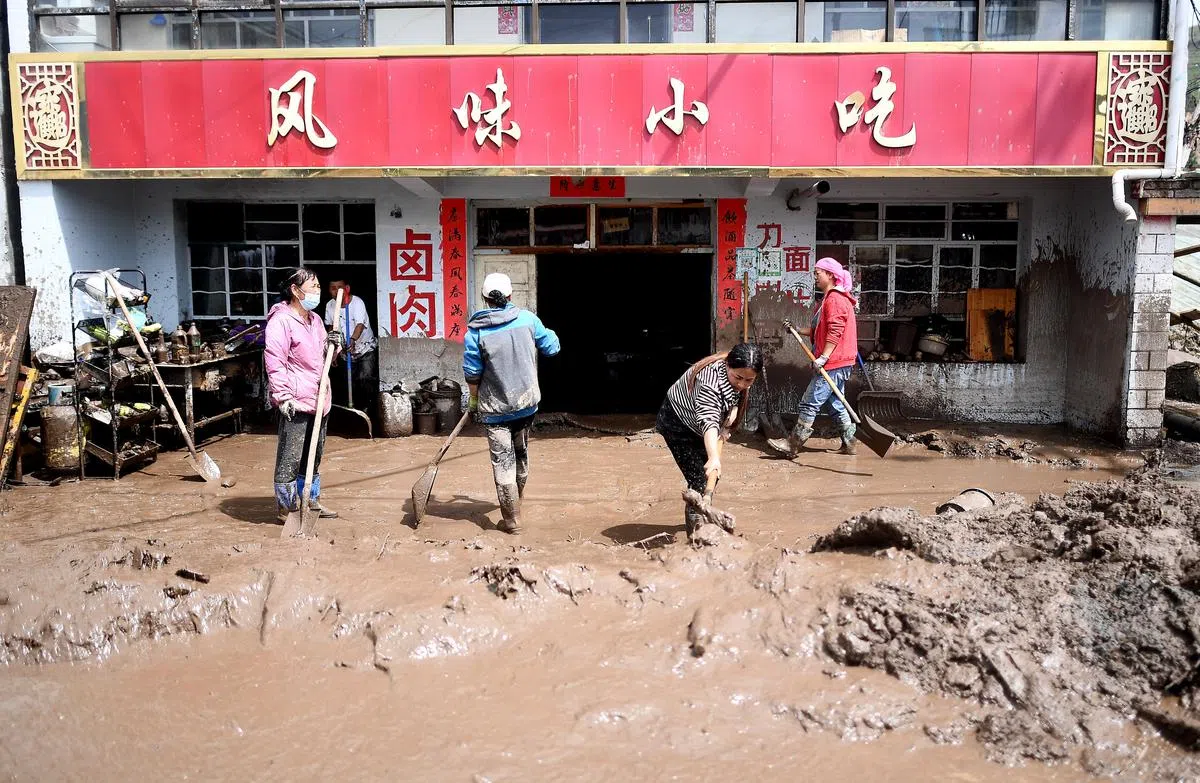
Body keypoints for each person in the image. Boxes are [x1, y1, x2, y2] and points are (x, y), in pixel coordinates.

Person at [463, 272, 561, 535]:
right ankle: (518, 502)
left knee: (502, 461)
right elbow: (552, 348)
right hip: (526, 405)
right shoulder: (528, 319)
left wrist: (473, 401)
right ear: (510, 296)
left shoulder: (476, 332)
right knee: (521, 454)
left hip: (494, 410)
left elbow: (472, 374)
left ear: (485, 299)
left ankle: (512, 521)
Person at [657, 343, 762, 538]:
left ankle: (702, 513)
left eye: (749, 380)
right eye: (738, 378)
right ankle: (697, 535)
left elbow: (735, 395)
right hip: (677, 424)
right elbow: (709, 422)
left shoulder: (738, 374)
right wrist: (713, 456)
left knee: (711, 475)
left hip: (703, 424)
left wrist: (730, 418)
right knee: (700, 478)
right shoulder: (709, 383)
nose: (742, 384)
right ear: (728, 366)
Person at [265, 268, 342, 523]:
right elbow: (275, 362)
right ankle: (286, 508)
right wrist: (283, 396)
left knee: (314, 453)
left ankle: (310, 500)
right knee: (291, 455)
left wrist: (335, 344)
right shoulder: (281, 321)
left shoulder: (316, 320)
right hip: (295, 399)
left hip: (320, 397)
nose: (318, 291)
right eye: (313, 286)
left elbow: (325, 359)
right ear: (295, 291)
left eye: (319, 286)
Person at [768, 257, 859, 457]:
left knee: (810, 401)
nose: (815, 277)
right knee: (835, 403)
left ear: (830, 275)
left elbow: (835, 331)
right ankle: (850, 442)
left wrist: (824, 357)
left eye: (818, 273)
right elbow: (820, 330)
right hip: (838, 361)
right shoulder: (828, 299)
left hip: (834, 361)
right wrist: (797, 330)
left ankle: (793, 444)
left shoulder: (835, 298)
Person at [323, 280, 377, 411]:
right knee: (348, 382)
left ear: (347, 288)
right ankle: (351, 408)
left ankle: (368, 408)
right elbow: (331, 328)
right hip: (345, 351)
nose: (336, 291)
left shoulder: (357, 303)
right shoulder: (330, 305)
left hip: (365, 348)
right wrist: (333, 351)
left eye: (339, 288)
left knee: (365, 378)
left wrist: (352, 340)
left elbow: (360, 325)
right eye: (333, 288)